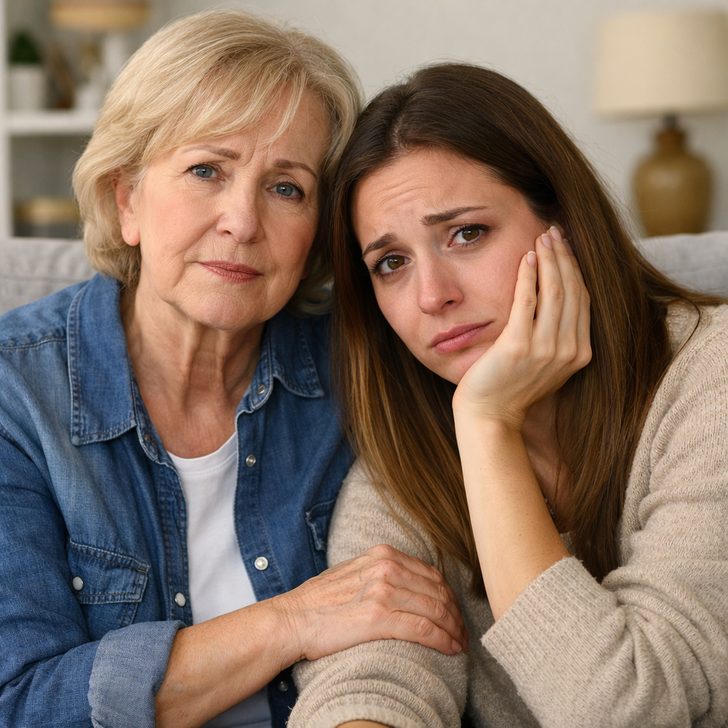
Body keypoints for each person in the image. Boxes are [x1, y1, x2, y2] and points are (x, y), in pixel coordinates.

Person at [0, 17, 468, 728]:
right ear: (127, 199)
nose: (243, 222)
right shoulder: (17, 393)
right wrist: (294, 620)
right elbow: (22, 701)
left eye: (287, 188)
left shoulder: (366, 366)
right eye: (206, 171)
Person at [289, 63, 728, 728]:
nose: (432, 296)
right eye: (391, 263)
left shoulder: (710, 378)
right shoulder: (403, 460)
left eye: (466, 233)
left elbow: (627, 709)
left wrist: (488, 424)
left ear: (565, 224)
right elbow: (369, 683)